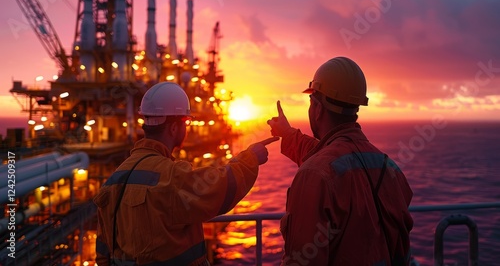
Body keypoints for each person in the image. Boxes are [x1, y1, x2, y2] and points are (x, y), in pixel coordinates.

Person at [94, 82, 278, 266]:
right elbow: (221, 187)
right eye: (186, 122)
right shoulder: (172, 176)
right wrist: (251, 158)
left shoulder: (113, 181)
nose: (187, 127)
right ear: (174, 127)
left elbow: (103, 250)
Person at [267, 57, 413, 265]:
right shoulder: (390, 169)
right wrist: (287, 134)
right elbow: (327, 156)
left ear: (317, 109)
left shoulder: (315, 175)